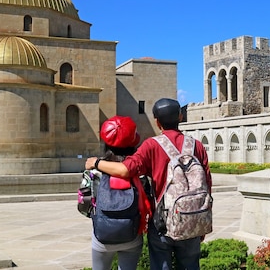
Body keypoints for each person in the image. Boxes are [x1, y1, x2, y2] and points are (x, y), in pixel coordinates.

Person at [86, 98, 212, 270]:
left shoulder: (151, 145)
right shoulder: (197, 146)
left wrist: (96, 163)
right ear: (181, 117)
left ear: (157, 121)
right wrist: (202, 220)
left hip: (162, 223)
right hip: (192, 217)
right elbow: (207, 185)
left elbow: (125, 170)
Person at [89, 115, 148, 270]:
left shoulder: (94, 172)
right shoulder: (138, 171)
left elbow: (84, 204)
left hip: (102, 235)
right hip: (131, 234)